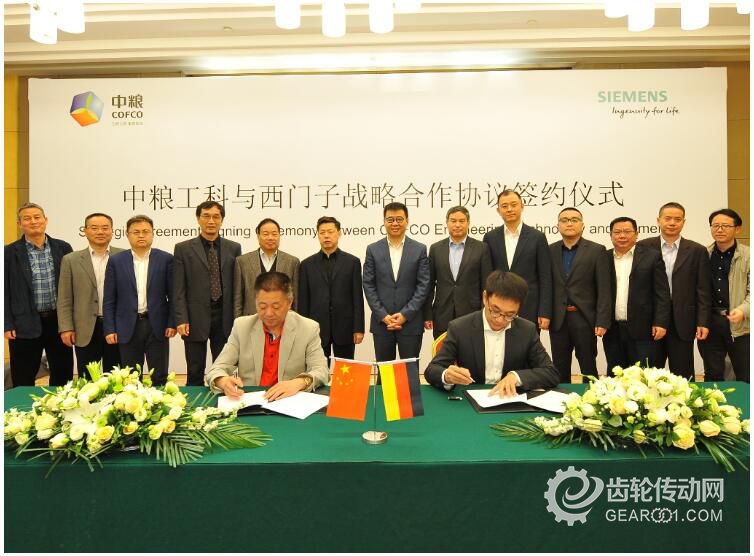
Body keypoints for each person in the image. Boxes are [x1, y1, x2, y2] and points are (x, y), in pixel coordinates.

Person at [424, 270, 559, 395]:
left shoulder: (527, 330)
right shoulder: (460, 328)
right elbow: (432, 369)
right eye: (495, 310)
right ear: (485, 298)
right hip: (470, 401)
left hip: (510, 400)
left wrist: (517, 377)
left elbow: (551, 372)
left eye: (510, 315)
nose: (500, 319)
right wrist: (447, 376)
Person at [206, 271, 329, 400]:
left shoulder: (308, 328)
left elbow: (321, 370)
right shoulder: (242, 327)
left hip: (289, 400)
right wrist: (223, 381)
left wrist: (298, 383)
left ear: (289, 303)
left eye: (276, 307)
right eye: (262, 306)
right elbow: (217, 369)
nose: (269, 313)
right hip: (250, 400)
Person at [637, 202, 711, 379]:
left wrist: (702, 321)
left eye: (677, 219)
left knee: (683, 374)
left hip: (683, 320)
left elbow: (703, 290)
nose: (672, 223)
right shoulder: (642, 247)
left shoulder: (697, 250)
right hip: (650, 319)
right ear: (658, 220)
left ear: (683, 222)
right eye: (667, 218)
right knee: (649, 374)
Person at [173, 201, 242, 386]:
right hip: (194, 317)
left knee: (224, 369)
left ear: (222, 220)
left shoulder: (234, 248)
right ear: (198, 219)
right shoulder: (183, 249)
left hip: (225, 317)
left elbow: (237, 285)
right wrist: (181, 318)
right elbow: (178, 288)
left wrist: (238, 317)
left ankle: (224, 400)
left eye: (216, 217)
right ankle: (194, 402)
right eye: (206, 216)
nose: (211, 221)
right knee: (195, 369)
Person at [4, 202, 73, 386]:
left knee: (63, 375)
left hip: (59, 323)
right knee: (23, 377)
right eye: (27, 218)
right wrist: (6, 323)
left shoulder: (63, 248)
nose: (33, 221)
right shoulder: (8, 253)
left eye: (37, 217)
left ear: (45, 220)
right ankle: (23, 405)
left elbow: (71, 286)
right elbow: (4, 291)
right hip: (24, 323)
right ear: (19, 224)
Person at [103, 215, 176, 385]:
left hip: (157, 325)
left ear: (153, 234)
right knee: (131, 378)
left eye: (145, 231)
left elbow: (173, 295)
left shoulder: (166, 259)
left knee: (160, 376)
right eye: (136, 232)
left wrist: (172, 323)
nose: (141, 235)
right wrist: (110, 328)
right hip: (127, 326)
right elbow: (109, 298)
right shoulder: (116, 261)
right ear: (127, 235)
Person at [548, 207, 611, 382]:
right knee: (559, 366)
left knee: (588, 365)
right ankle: (561, 397)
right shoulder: (549, 250)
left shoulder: (597, 250)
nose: (569, 223)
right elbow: (546, 285)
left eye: (574, 220)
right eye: (564, 220)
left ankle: (591, 397)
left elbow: (604, 289)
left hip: (584, 318)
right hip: (558, 319)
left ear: (582, 225)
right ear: (558, 226)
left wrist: (602, 320)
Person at [57, 212, 123, 379]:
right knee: (86, 379)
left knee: (116, 377)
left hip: (117, 326)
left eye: (105, 228)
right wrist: (66, 327)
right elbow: (64, 298)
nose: (100, 232)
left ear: (112, 231)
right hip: (84, 328)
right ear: (85, 231)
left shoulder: (124, 256)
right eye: (94, 228)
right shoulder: (70, 260)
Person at [363, 202, 430, 361]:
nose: (395, 223)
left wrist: (405, 314)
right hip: (382, 324)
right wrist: (383, 315)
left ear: (407, 221)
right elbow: (368, 284)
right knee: (385, 371)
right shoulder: (373, 249)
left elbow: (423, 285)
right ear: (384, 221)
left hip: (411, 323)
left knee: (409, 371)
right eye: (390, 219)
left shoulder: (419, 249)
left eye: (399, 219)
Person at [603, 217, 671, 373]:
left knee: (643, 375)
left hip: (643, 329)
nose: (622, 236)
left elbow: (662, 293)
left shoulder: (651, 257)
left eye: (627, 231)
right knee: (615, 374)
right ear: (611, 235)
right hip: (612, 329)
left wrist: (660, 322)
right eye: (617, 232)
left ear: (636, 234)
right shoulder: (603, 258)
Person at [297, 216, 365, 363]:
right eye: (322, 232)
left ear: (339, 233)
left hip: (345, 328)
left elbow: (357, 298)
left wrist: (358, 328)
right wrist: (303, 330)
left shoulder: (352, 262)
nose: (326, 236)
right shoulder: (306, 265)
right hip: (316, 329)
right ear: (317, 235)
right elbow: (303, 301)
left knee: (346, 372)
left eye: (330, 232)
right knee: (317, 370)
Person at [483, 190, 552, 330]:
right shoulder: (490, 237)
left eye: (513, 205)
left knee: (527, 342)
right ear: (498, 210)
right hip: (497, 309)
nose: (509, 209)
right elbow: (487, 275)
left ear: (522, 206)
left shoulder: (537, 237)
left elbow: (545, 277)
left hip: (529, 307)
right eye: (504, 206)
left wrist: (544, 311)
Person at [423, 205, 492, 339]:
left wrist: (485, 313)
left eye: (462, 221)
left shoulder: (481, 249)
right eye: (453, 221)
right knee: (443, 351)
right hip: (442, 314)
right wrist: (427, 314)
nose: (457, 225)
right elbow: (429, 285)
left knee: (470, 351)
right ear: (447, 223)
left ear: (468, 223)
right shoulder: (436, 249)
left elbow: (486, 286)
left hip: (472, 314)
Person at [698, 209, 749, 382]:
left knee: (746, 375)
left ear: (738, 229)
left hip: (742, 324)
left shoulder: (749, 256)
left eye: (725, 226)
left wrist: (743, 310)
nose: (720, 230)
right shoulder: (702, 254)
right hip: (710, 323)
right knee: (713, 375)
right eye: (716, 226)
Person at [233, 218, 299, 317]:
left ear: (279, 236)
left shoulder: (292, 262)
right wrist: (238, 322)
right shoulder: (242, 262)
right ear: (258, 236)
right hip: (252, 319)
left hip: (283, 319)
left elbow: (295, 299)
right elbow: (238, 299)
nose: (270, 237)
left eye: (274, 234)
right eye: (265, 234)